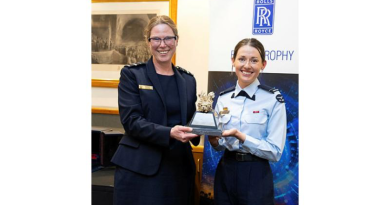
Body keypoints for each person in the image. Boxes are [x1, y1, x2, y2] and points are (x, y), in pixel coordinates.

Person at [111, 15, 200, 205]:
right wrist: (169, 133)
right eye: (156, 39)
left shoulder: (188, 80)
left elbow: (192, 121)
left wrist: (210, 131)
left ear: (176, 40)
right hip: (140, 169)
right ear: (148, 41)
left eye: (168, 38)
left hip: (178, 170)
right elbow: (131, 121)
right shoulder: (132, 75)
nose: (163, 44)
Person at [208, 38, 287, 205]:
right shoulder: (223, 98)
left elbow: (275, 151)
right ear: (233, 61)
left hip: (256, 173)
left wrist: (242, 137)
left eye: (254, 60)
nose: (247, 65)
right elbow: (221, 144)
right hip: (226, 170)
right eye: (242, 59)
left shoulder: (274, 99)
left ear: (263, 64)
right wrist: (214, 142)